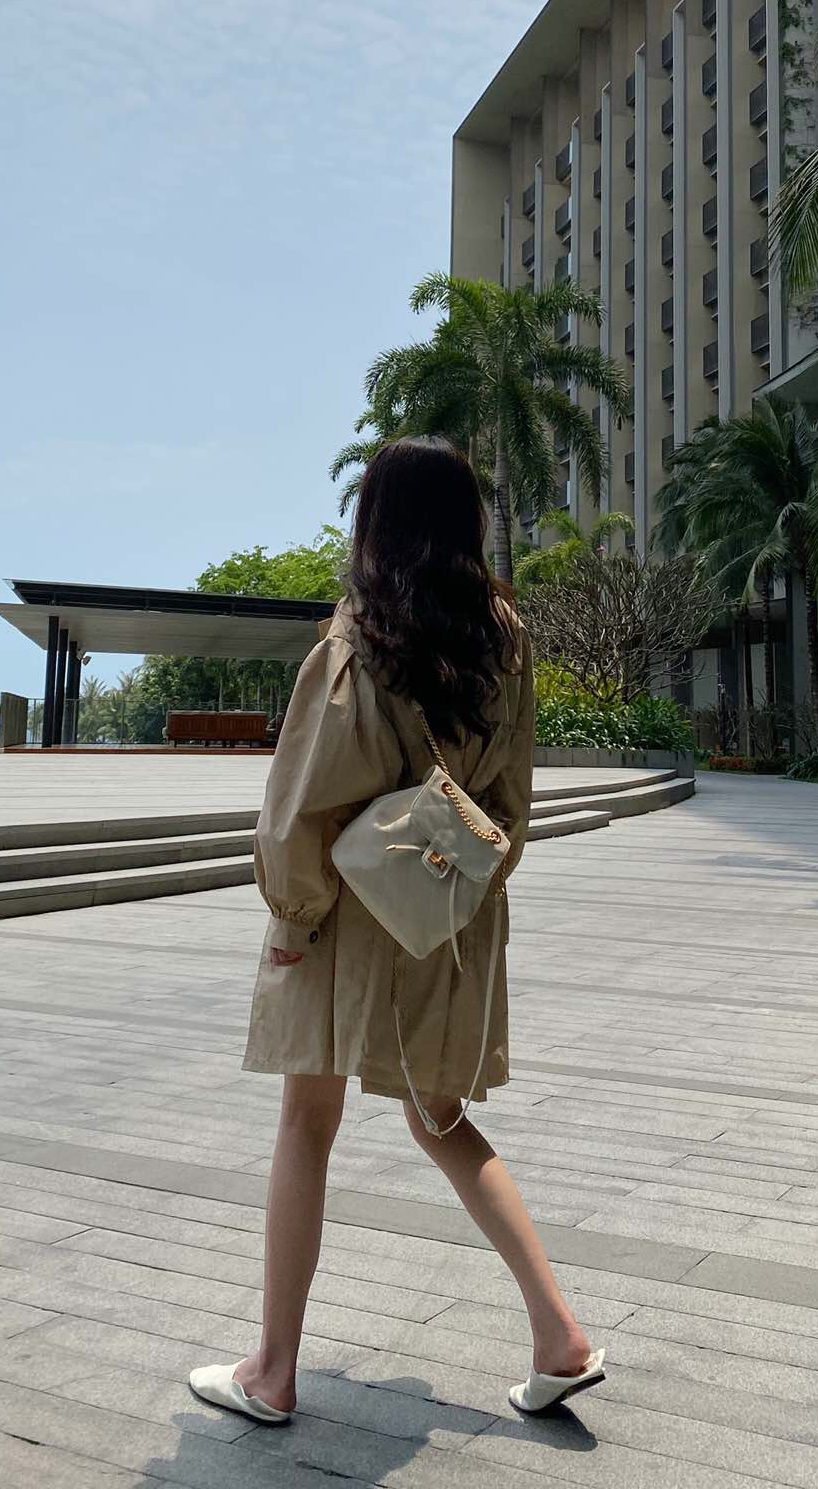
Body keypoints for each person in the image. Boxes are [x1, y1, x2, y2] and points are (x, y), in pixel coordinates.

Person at [188, 436, 602, 1426]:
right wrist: (458, 888)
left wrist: (291, 920)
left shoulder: (360, 635)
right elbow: (512, 802)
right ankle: (558, 1335)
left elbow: (303, 801)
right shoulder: (504, 637)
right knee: (440, 1116)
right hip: (449, 912)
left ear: (375, 519)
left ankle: (272, 1372)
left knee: (307, 1122)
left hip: (348, 914)